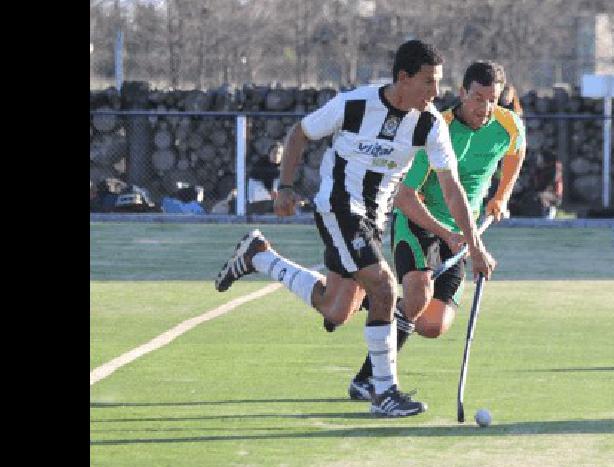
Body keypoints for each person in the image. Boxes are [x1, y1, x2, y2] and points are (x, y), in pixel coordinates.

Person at [212, 40, 496, 418]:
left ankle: (259, 257)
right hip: (339, 207)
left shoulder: (429, 124)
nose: (435, 92)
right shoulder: (354, 105)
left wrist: (474, 245)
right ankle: (384, 391)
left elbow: (451, 187)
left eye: (438, 83)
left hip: (374, 220)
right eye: (428, 82)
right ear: (403, 78)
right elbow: (300, 133)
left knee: (336, 309)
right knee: (383, 285)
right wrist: (285, 186)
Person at [346, 60, 526, 401]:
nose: (484, 108)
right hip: (419, 223)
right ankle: (368, 380)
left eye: (492, 99)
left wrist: (501, 196)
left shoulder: (509, 125)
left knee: (432, 325)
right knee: (417, 297)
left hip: (463, 230)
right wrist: (455, 237)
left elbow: (516, 153)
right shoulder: (435, 130)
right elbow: (404, 197)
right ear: (461, 93)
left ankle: (372, 298)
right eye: (477, 98)